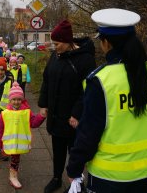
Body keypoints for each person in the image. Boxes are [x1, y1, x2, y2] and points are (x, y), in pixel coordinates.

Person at [66, 8, 147, 193]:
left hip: (108, 177)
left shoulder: (100, 80)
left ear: (106, 43)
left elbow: (88, 133)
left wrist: (74, 167)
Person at [38, 19, 96, 193]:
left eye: (57, 44)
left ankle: (76, 183)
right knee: (58, 149)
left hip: (73, 118)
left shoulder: (86, 59)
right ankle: (56, 178)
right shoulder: (55, 56)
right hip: (56, 114)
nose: (55, 47)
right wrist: (43, 104)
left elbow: (87, 90)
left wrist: (77, 113)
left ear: (68, 42)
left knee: (75, 152)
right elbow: (47, 79)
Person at [0, 82, 46, 189]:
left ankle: (13, 176)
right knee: (14, 158)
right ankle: (12, 176)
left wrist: (41, 116)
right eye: (14, 99)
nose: (16, 102)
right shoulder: (5, 113)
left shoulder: (27, 112)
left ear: (22, 100)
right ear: (10, 100)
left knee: (15, 159)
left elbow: (34, 123)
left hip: (20, 143)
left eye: (19, 99)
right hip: (9, 143)